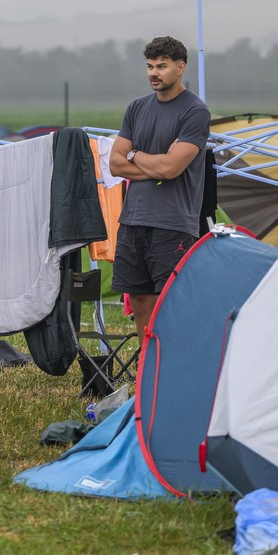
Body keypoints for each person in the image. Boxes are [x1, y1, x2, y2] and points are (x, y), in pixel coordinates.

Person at [108, 35, 211, 338]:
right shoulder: (137, 108)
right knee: (139, 299)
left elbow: (171, 168)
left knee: (170, 302)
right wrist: (155, 165)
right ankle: (146, 368)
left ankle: (170, 370)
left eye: (162, 66)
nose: (154, 73)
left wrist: (135, 154)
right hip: (132, 219)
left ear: (181, 67)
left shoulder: (195, 112)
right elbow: (115, 164)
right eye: (150, 66)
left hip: (173, 223)